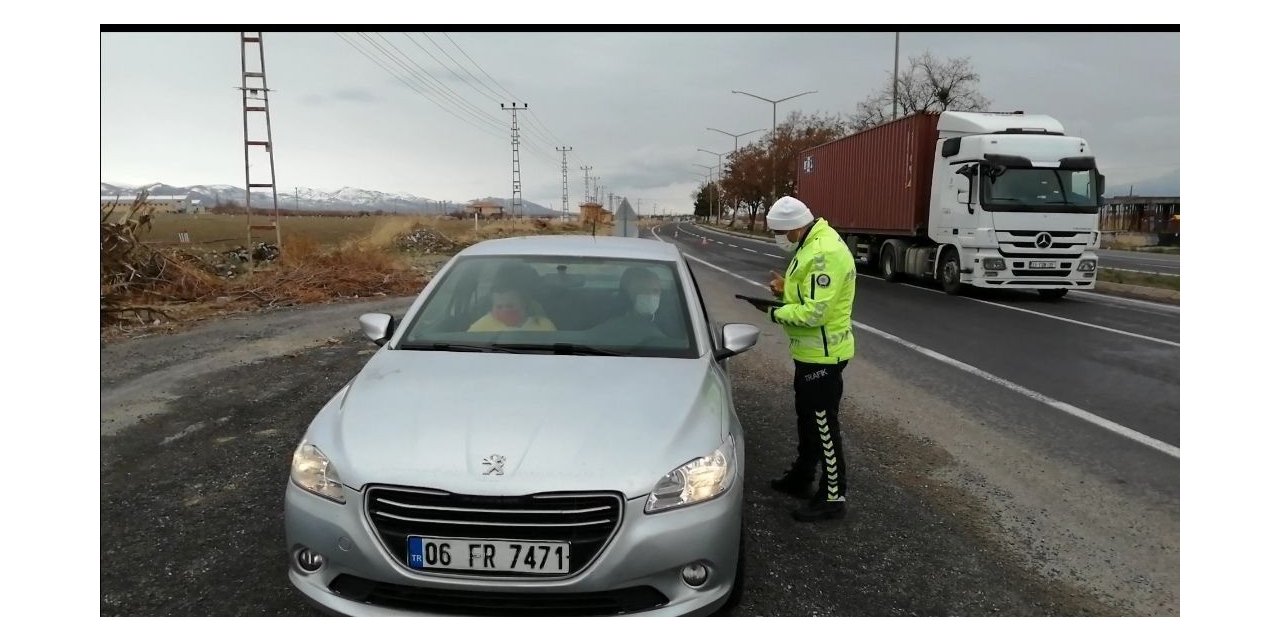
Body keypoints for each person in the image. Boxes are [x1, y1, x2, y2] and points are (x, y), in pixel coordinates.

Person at [752, 195, 857, 522]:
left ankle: (833, 496)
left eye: (778, 233)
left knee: (823, 426)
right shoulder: (811, 244)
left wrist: (774, 312)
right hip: (810, 353)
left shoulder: (823, 253)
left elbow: (814, 313)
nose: (777, 239)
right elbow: (810, 295)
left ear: (794, 227)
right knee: (807, 420)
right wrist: (786, 290)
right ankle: (802, 477)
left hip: (824, 356)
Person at [468, 262, 557, 332]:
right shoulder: (482, 326)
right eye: (499, 306)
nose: (504, 310)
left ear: (524, 304)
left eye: (510, 306)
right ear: (492, 306)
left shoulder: (543, 325)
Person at [591, 266, 667, 342]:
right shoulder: (611, 324)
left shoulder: (672, 322)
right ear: (626, 295)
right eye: (642, 290)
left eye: (655, 291)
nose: (650, 296)